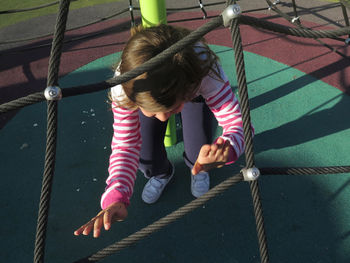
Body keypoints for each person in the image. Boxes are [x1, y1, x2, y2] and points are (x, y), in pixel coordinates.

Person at [74, 24, 246, 238]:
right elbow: (125, 145)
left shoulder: (204, 70)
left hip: (194, 91)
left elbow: (237, 123)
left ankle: (197, 167)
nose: (165, 117)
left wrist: (227, 149)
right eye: (155, 111)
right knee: (146, 155)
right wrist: (116, 195)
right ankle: (161, 173)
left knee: (199, 148)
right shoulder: (125, 87)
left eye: (172, 109)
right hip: (164, 95)